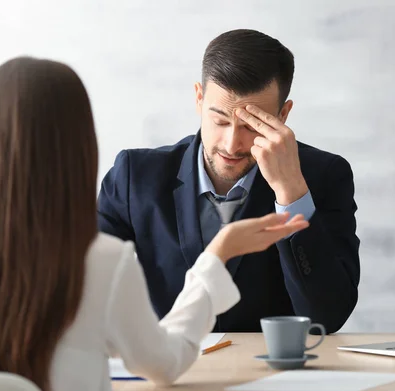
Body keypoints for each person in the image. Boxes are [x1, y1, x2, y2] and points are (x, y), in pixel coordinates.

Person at [0, 57, 308, 391]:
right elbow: (166, 364)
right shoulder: (102, 261)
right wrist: (217, 255)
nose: (231, 140)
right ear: (80, 145)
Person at [98, 29, 361, 334]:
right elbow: (84, 289)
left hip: (278, 376)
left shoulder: (324, 175)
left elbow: (327, 318)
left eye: (252, 125)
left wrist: (290, 194)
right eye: (220, 121)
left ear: (283, 114)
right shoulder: (134, 176)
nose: (232, 144)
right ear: (199, 98)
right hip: (170, 368)